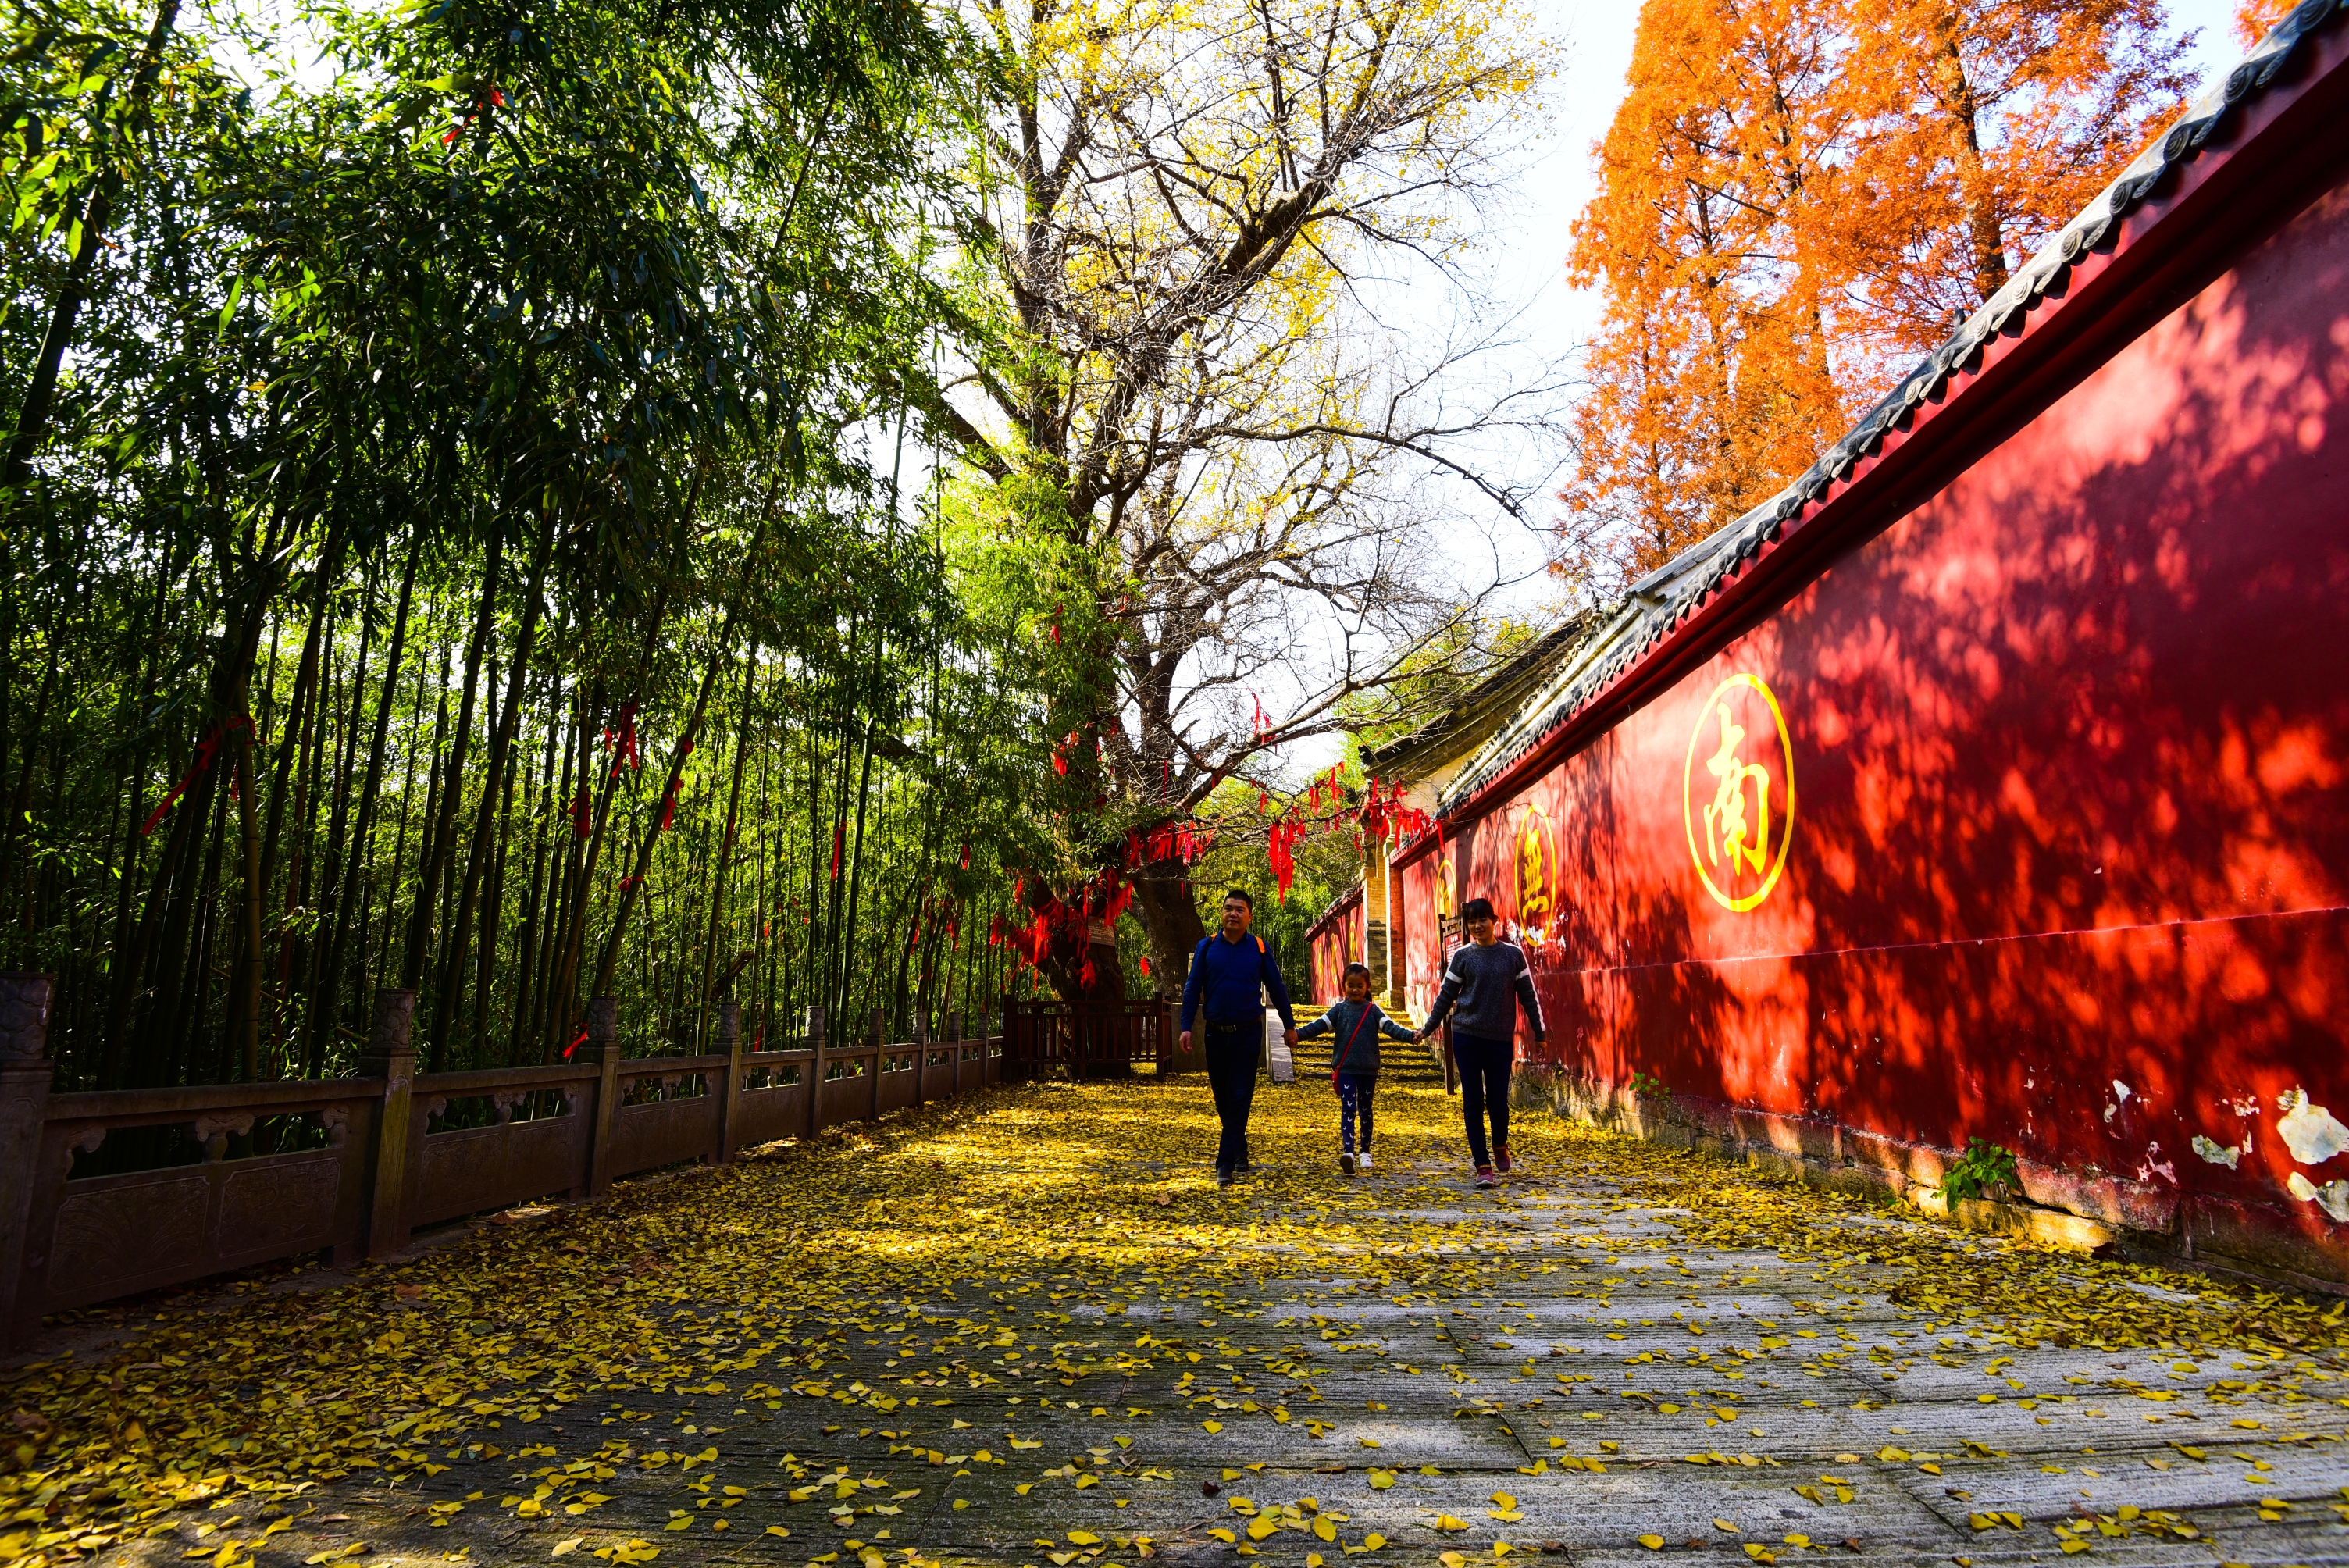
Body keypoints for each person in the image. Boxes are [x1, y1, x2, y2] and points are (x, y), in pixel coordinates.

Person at [1416, 896, 1545, 1187]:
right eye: (1471, 921)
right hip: (1466, 1036)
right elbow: (1446, 995)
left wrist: (1540, 1033)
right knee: (1472, 1100)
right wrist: (1428, 1029)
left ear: (1494, 920)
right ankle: (1482, 1165)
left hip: (1499, 1039)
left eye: (1482, 920)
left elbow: (1528, 996)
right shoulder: (1462, 956)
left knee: (1498, 1102)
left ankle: (1500, 1143)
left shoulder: (1512, 955)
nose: (1477, 926)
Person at [1178, 889, 1299, 1186]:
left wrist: (1289, 1024)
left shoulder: (1259, 948)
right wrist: (1184, 1026)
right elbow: (1193, 989)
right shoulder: (1207, 947)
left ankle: (1225, 1163)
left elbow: (1277, 987)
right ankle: (1239, 1147)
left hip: (1248, 1034)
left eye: (1240, 910)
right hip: (1215, 1034)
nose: (1233, 914)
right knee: (1223, 1098)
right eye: (1228, 908)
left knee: (1240, 1096)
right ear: (1221, 913)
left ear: (1250, 916)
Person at [1296, 960, 1414, 1176]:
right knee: (1348, 1109)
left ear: (1367, 987)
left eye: (1360, 986)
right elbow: (1318, 1026)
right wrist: (1297, 1035)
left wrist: (1412, 1037)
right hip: (1346, 1069)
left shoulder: (1372, 1011)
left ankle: (1365, 1152)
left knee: (1366, 1109)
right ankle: (1348, 1152)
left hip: (1368, 1070)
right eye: (1351, 985)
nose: (1355, 990)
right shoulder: (1339, 1010)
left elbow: (1391, 1028)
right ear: (1344, 986)